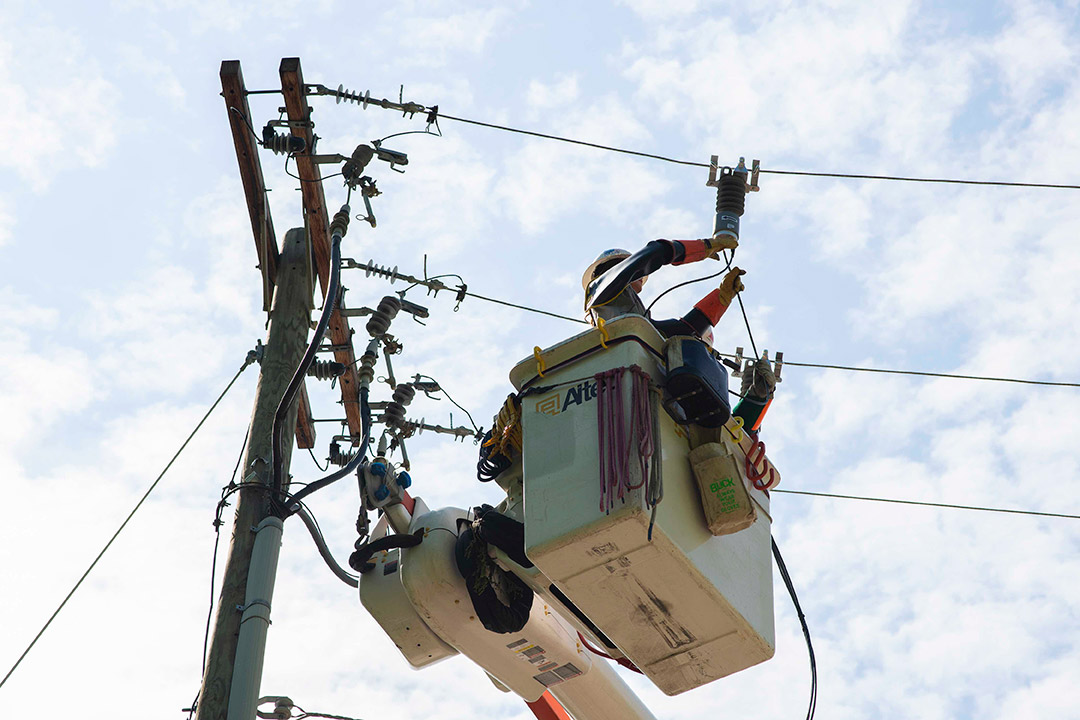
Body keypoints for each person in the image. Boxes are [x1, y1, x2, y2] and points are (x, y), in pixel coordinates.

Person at [581, 238, 775, 434]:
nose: (642, 275)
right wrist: (704, 247)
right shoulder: (601, 290)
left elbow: (681, 330)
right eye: (630, 267)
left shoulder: (638, 321)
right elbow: (655, 252)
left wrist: (722, 297)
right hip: (624, 379)